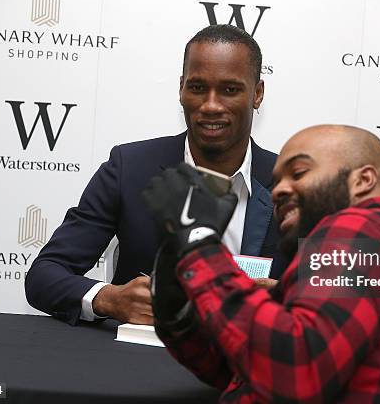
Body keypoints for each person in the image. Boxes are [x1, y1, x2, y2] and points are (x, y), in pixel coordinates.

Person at [142, 125, 380, 402]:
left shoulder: (362, 230)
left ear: (363, 181)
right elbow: (249, 368)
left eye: (299, 172)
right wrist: (179, 312)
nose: (278, 190)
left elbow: (297, 371)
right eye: (277, 181)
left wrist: (198, 244)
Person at [25, 24, 286, 326]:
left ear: (257, 93)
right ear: (181, 89)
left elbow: (334, 300)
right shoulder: (129, 167)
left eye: (230, 90)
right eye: (198, 87)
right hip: (140, 365)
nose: (211, 105)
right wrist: (109, 299)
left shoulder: (294, 185)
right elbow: (44, 275)